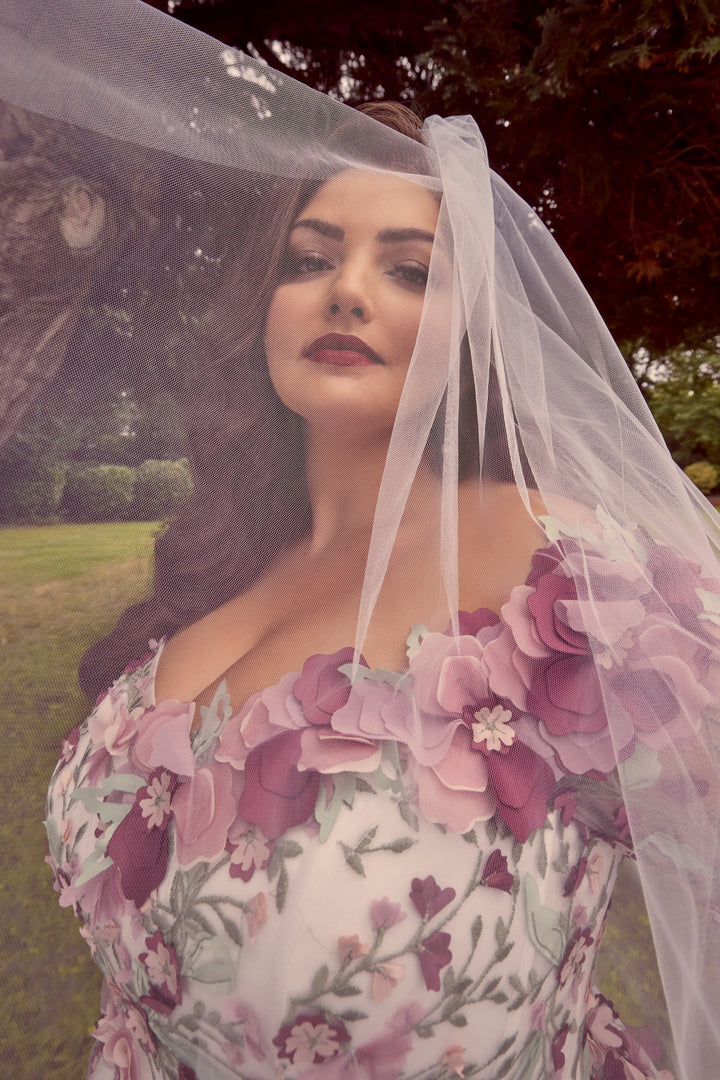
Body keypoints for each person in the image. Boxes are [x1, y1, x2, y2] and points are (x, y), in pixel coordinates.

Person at [1, 2, 719, 1078]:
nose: (345, 290)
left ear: (472, 328)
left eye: (410, 269)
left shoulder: (568, 575)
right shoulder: (225, 565)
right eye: (309, 258)